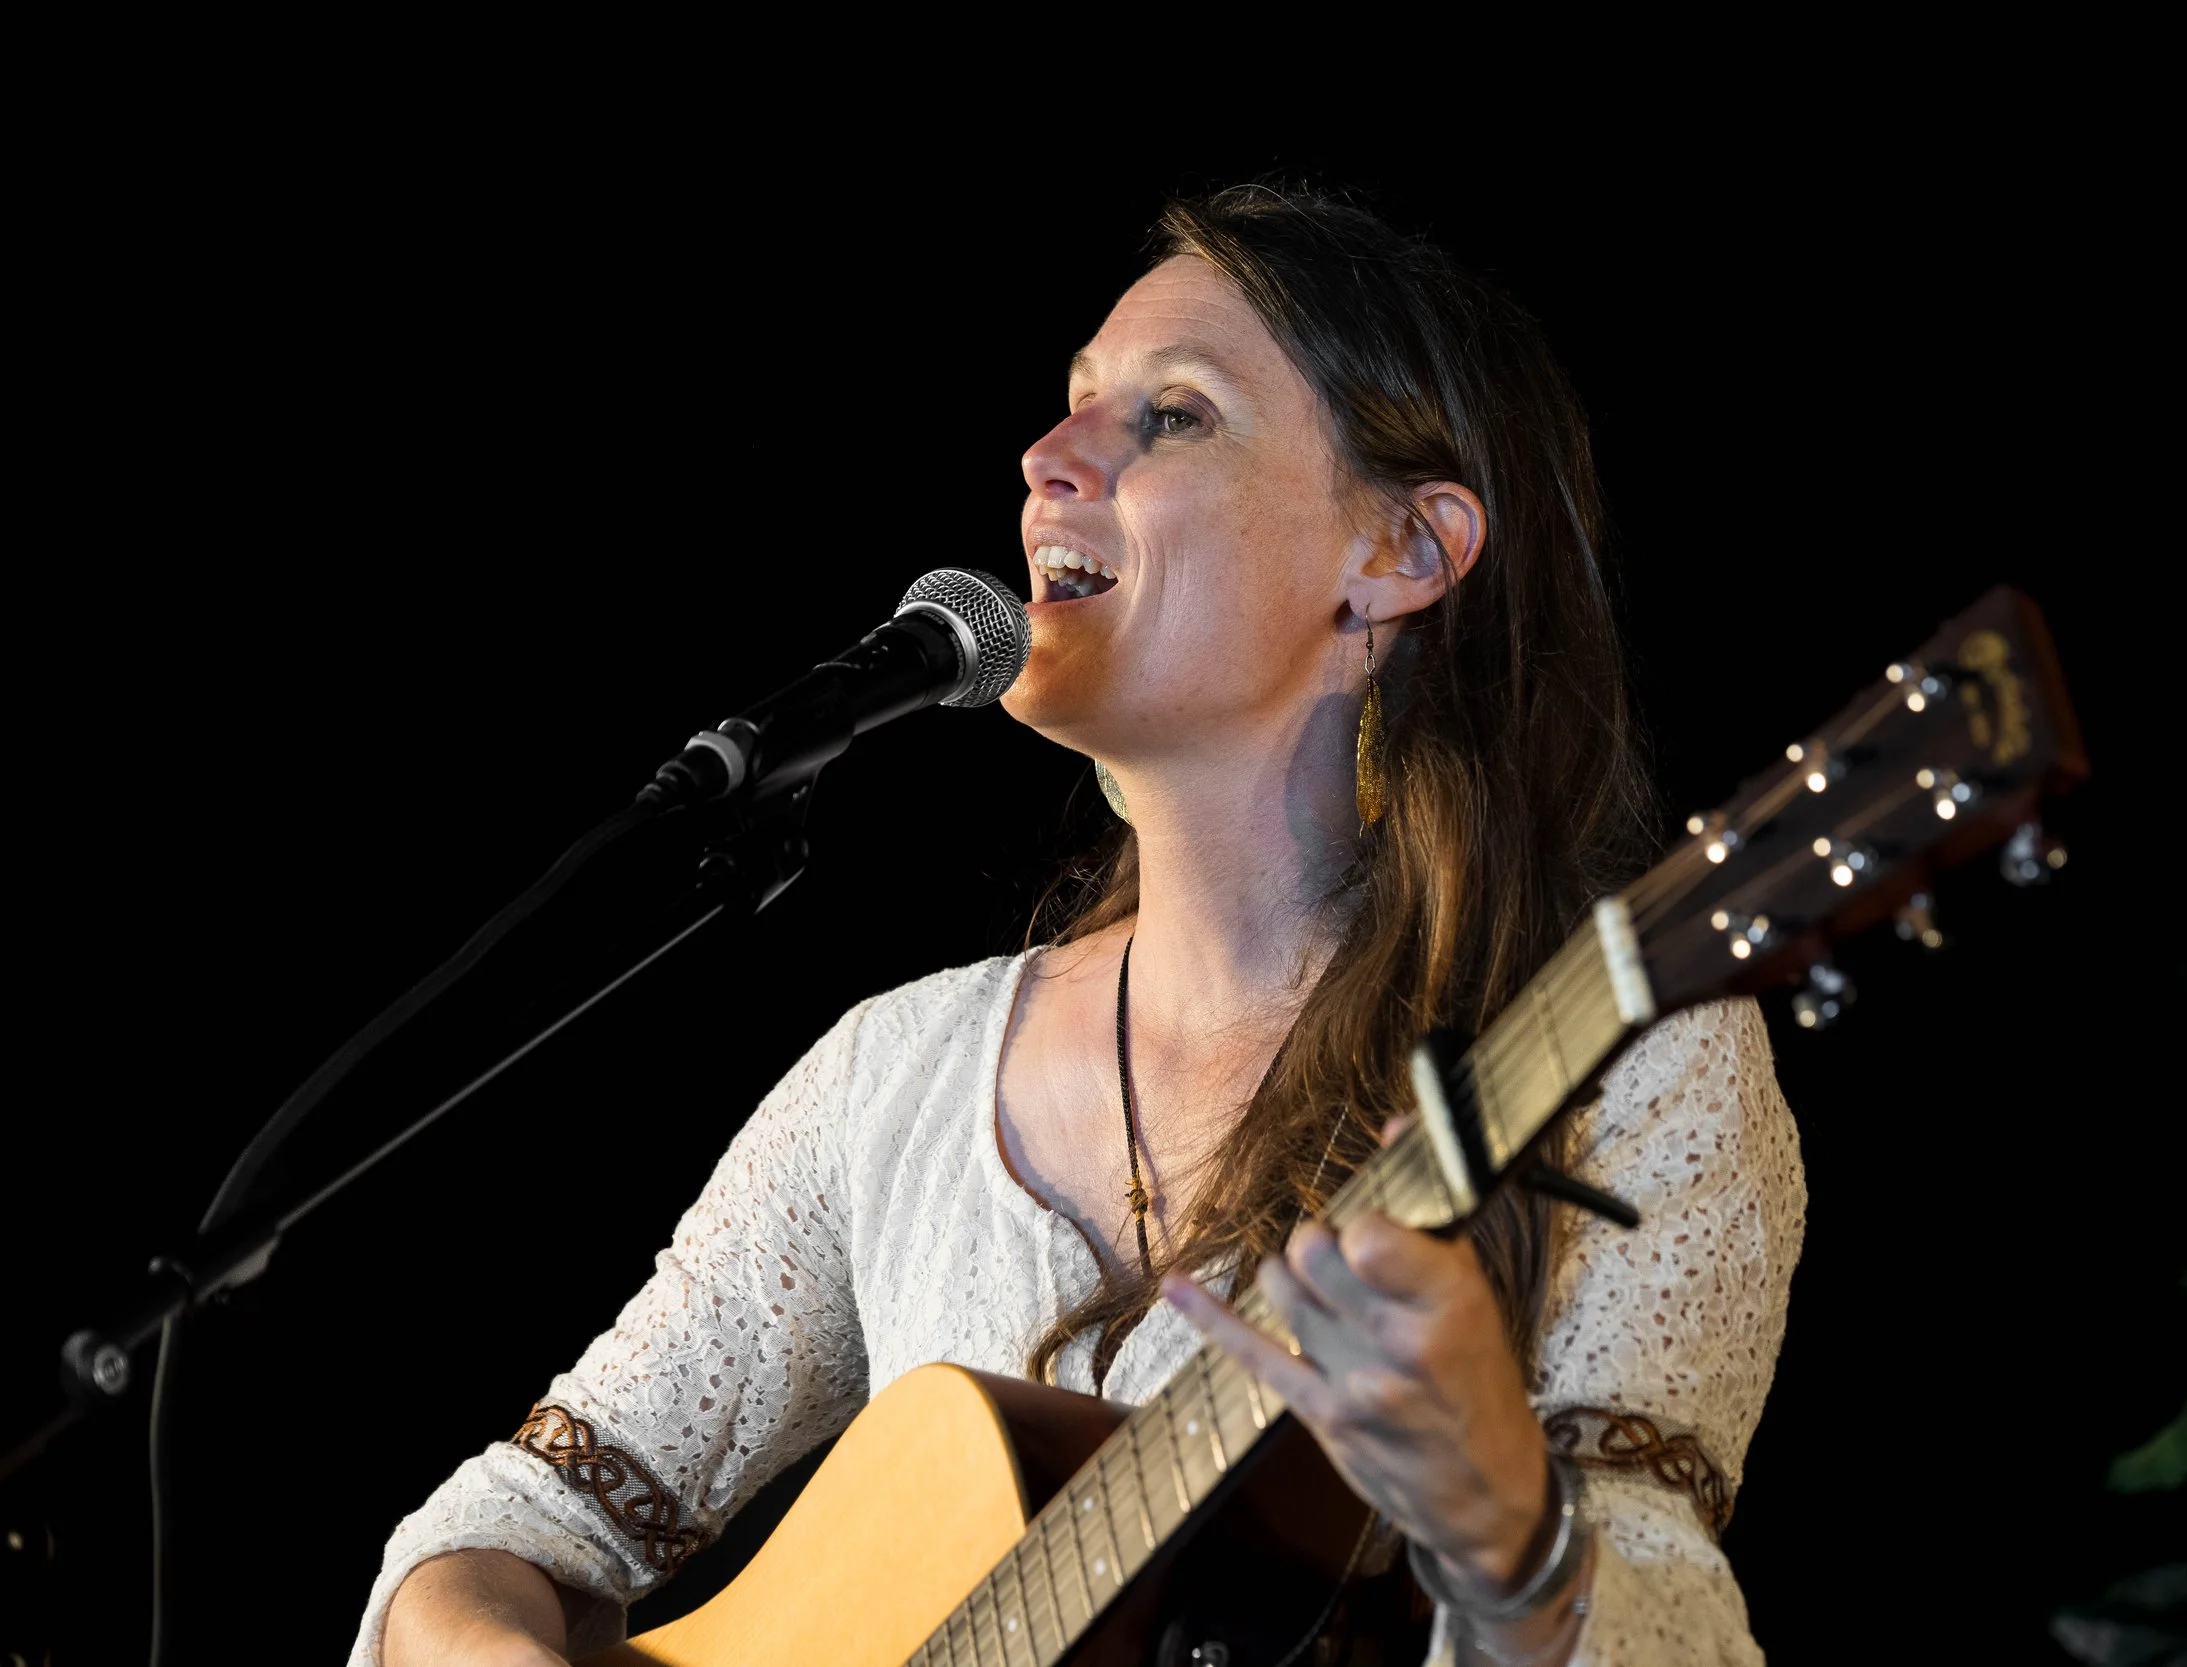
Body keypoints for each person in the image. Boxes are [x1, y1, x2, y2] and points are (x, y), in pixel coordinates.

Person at [362, 186, 1805, 1667]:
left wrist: (1515, 1541)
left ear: (1401, 554)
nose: (1048, 461)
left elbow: (1668, 1625)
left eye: (1174, 416)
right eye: (1071, 409)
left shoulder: (1631, 1051)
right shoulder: (893, 1079)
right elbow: (495, 1537)